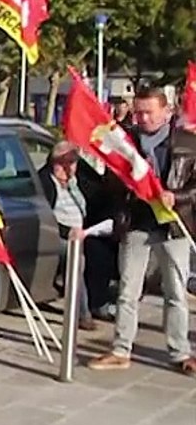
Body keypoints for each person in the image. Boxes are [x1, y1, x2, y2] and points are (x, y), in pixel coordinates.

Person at [89, 89, 196, 375]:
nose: (143, 118)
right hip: (136, 222)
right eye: (139, 112)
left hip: (173, 224)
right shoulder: (127, 141)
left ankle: (180, 351)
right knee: (128, 290)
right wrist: (126, 183)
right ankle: (121, 349)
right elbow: (110, 182)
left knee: (175, 291)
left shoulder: (187, 141)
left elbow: (195, 186)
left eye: (149, 112)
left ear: (166, 111)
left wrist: (179, 197)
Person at [36, 141, 113, 330]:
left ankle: (99, 302)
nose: (67, 168)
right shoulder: (45, 182)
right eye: (61, 163)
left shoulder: (77, 181)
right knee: (76, 259)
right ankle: (82, 314)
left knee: (102, 251)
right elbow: (44, 216)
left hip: (83, 231)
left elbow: (98, 196)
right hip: (58, 234)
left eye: (71, 163)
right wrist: (66, 231)